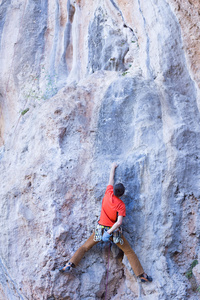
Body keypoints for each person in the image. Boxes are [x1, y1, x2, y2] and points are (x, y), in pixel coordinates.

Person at [59, 162, 152, 283]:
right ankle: (141, 275)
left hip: (100, 229)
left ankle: (69, 264)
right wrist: (109, 232)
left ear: (113, 190)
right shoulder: (121, 205)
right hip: (112, 232)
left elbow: (110, 179)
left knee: (84, 247)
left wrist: (113, 167)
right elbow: (118, 223)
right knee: (128, 251)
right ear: (122, 194)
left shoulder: (108, 193)